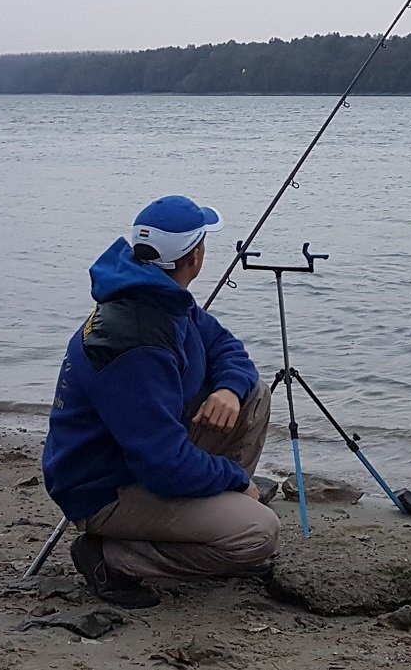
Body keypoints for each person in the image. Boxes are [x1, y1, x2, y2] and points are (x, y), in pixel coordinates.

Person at [42, 195, 280, 608]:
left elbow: (226, 347)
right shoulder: (136, 340)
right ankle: (112, 558)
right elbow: (163, 465)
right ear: (195, 257)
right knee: (260, 534)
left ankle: (211, 517)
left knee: (251, 394)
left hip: (142, 462)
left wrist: (227, 389)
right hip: (103, 488)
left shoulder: (160, 297)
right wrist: (237, 479)